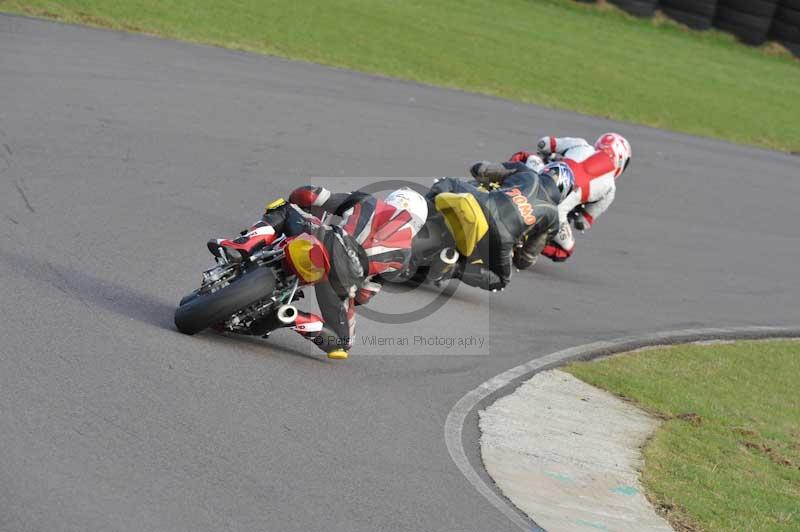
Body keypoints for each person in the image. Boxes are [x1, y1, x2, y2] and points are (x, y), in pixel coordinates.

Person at [209, 186, 428, 360]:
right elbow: (364, 296)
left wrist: (298, 198)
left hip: (328, 240)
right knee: (341, 344)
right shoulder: (404, 256)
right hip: (346, 277)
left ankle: (241, 247)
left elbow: (311, 195)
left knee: (283, 208)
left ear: (393, 200)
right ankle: (291, 317)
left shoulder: (368, 201)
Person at [425, 160, 572, 291]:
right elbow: (525, 258)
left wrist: (479, 170)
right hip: (502, 238)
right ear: (564, 192)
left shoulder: (526, 172)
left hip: (483, 203)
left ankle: (420, 215)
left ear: (546, 170)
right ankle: (453, 269)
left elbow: (482, 169)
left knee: (448, 183)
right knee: (501, 279)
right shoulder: (553, 220)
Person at [508, 133, 631, 262]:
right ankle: (525, 247)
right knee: (566, 250)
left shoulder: (581, 144)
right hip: (557, 213)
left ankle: (498, 181)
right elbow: (583, 222)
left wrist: (550, 155)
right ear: (621, 161)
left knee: (523, 157)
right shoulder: (610, 188)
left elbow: (544, 143)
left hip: (539, 176)